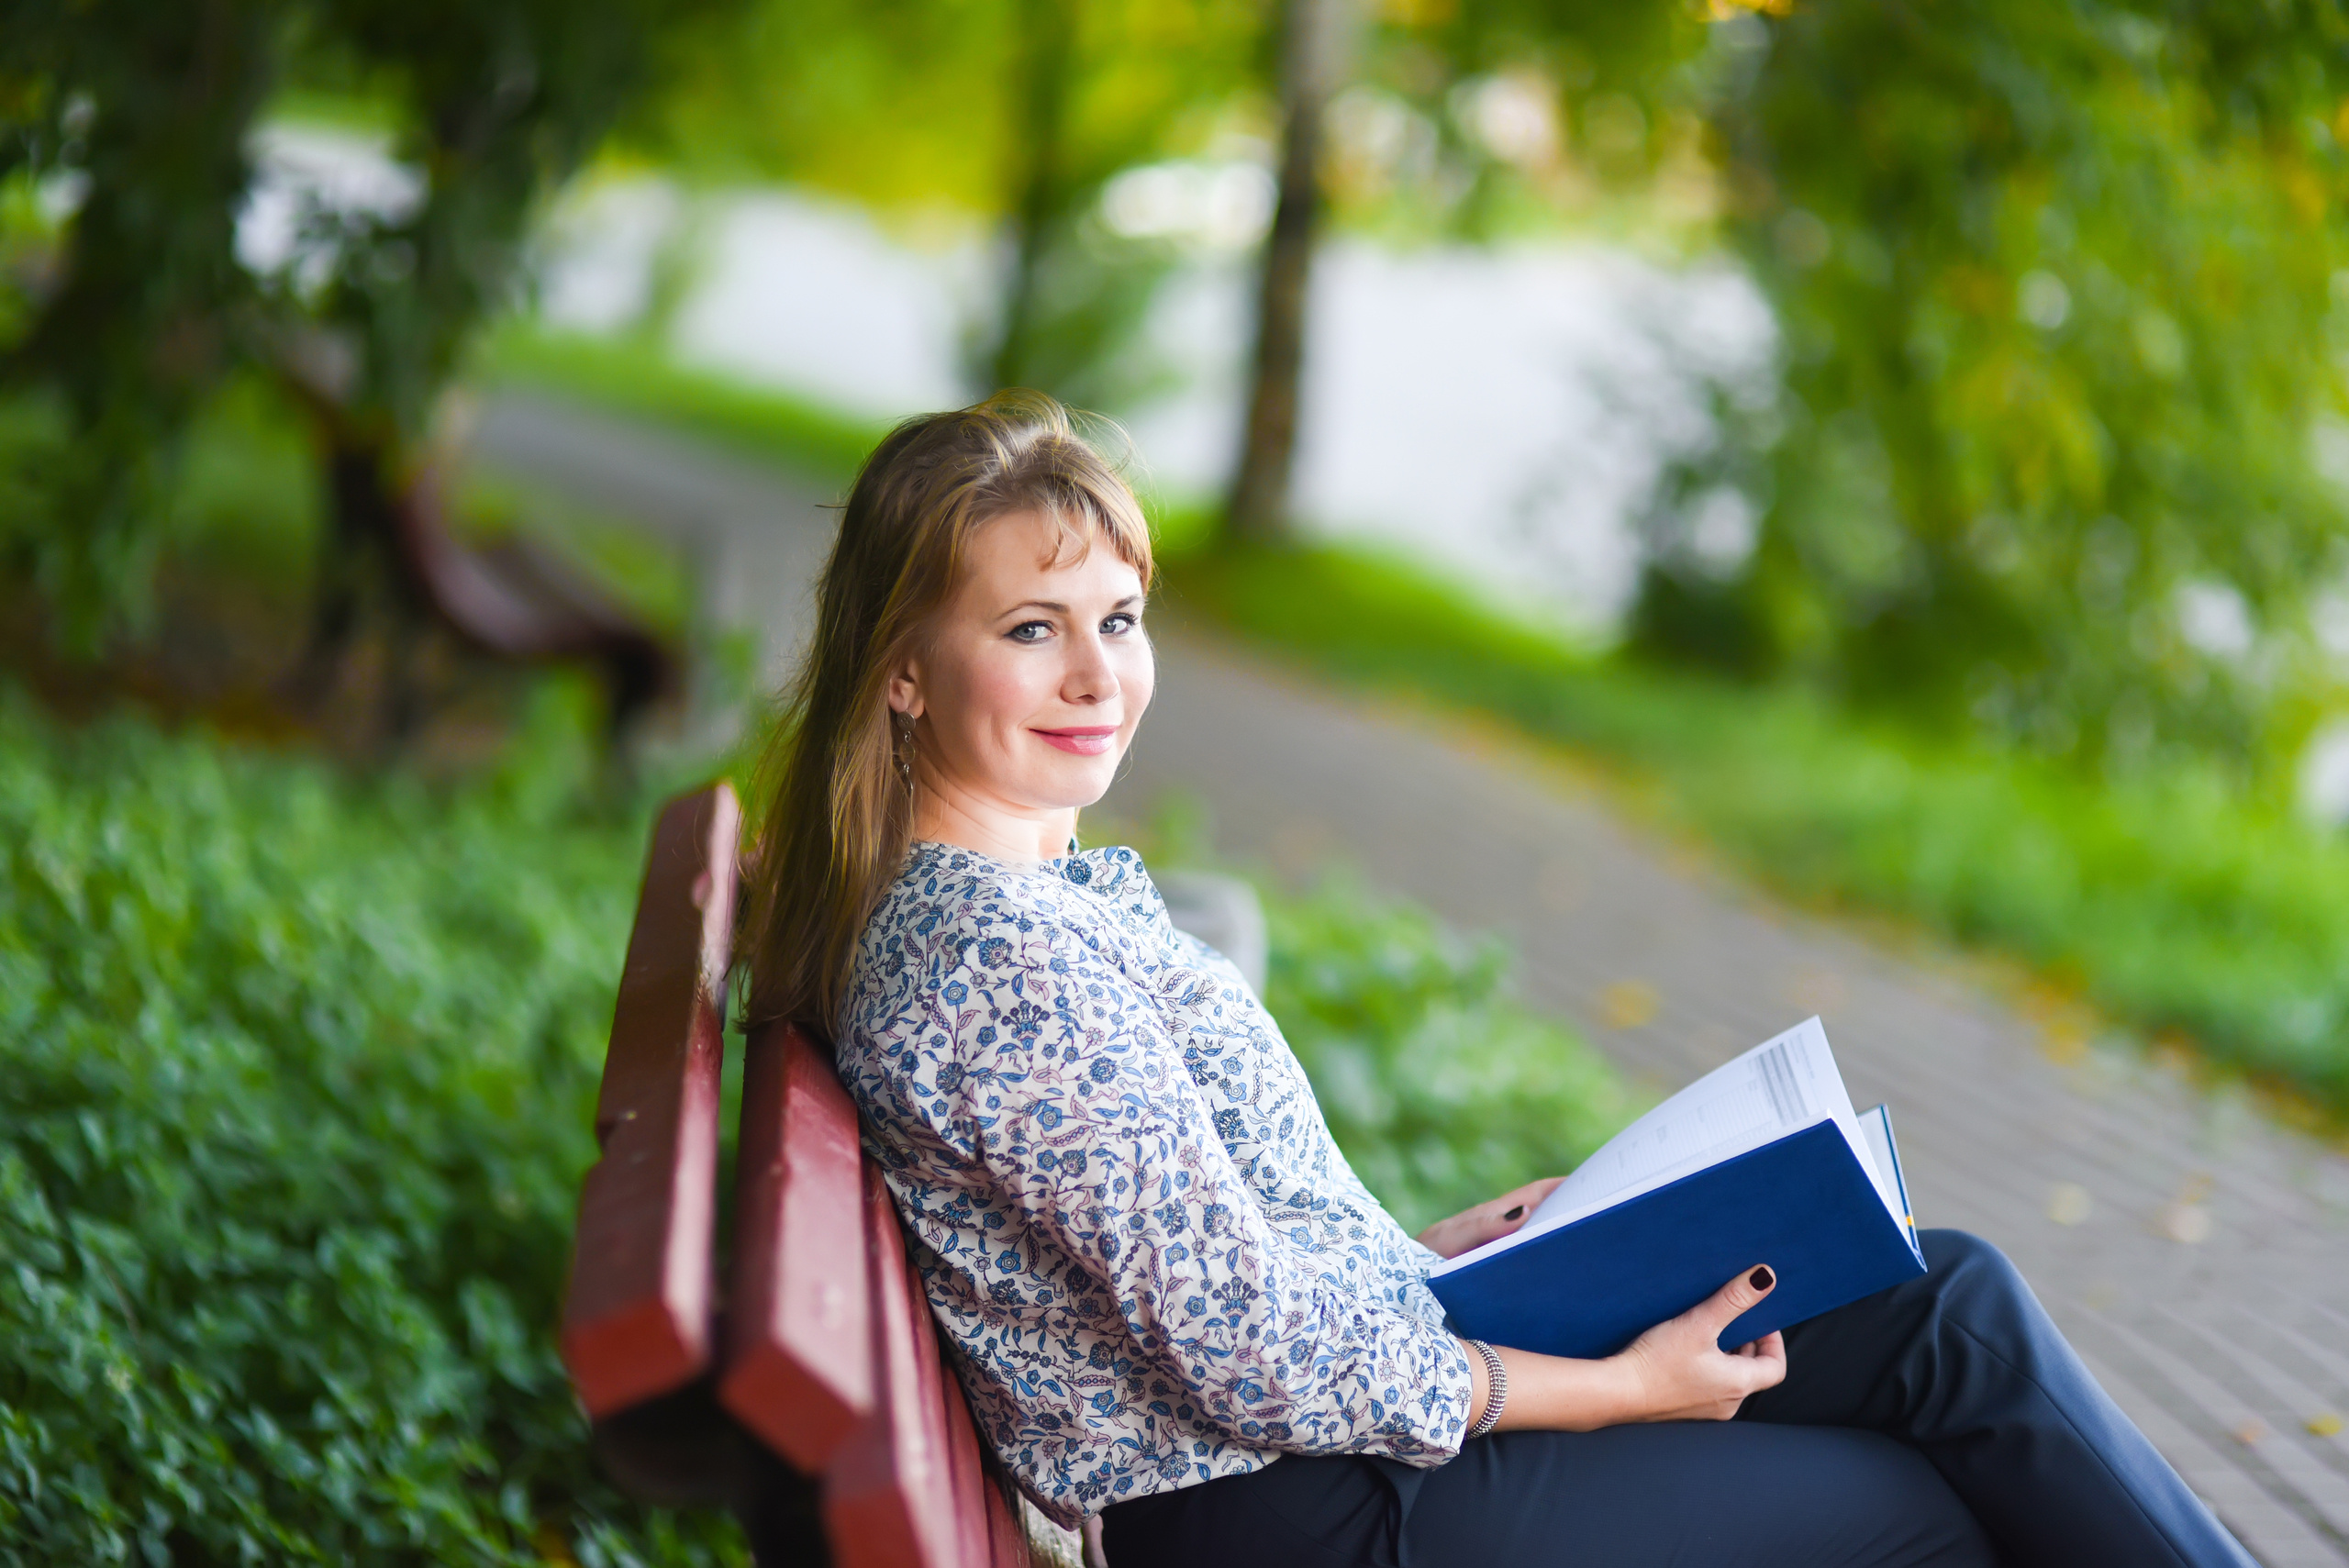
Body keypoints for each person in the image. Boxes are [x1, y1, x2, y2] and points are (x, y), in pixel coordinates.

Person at [739, 391, 2257, 1568]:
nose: (1098, 675)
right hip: (1297, 1516)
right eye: (1031, 630)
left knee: (1944, 1305)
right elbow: (1248, 1351)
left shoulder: (1033, 898)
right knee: (1917, 1508)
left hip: (1322, 1437)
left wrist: (1428, 1256)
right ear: (904, 668)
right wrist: (1615, 1386)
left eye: (1119, 620)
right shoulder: (994, 959)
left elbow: (1199, 1260)